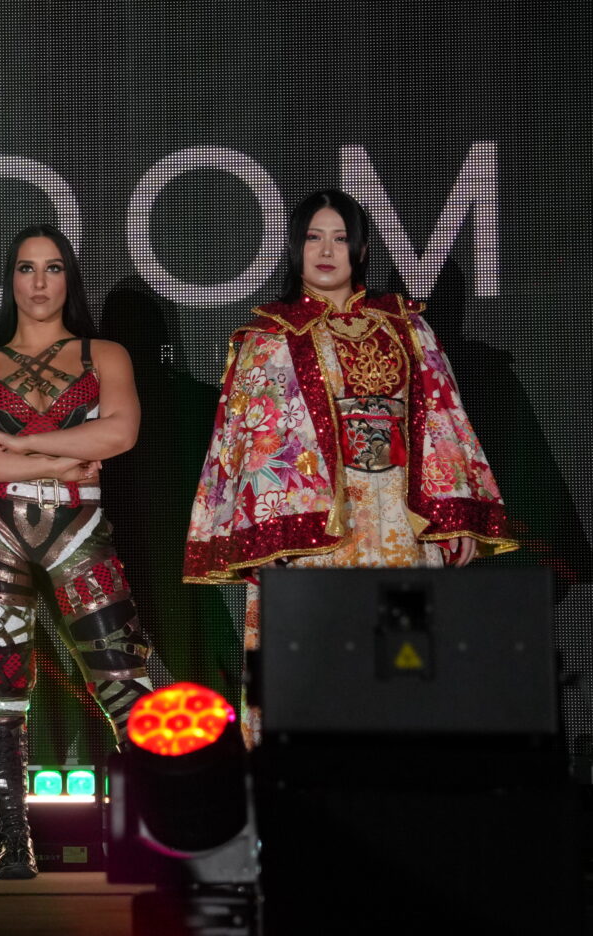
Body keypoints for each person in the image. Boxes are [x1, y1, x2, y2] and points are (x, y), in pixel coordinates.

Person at [183, 189, 517, 743]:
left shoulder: (405, 325)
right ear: (295, 247)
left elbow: (441, 417)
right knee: (319, 653)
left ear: (360, 250)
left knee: (403, 652)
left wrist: (453, 516)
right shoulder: (269, 335)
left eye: (340, 238)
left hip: (400, 513)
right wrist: (274, 532)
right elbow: (251, 441)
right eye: (313, 237)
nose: (326, 251)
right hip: (317, 518)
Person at [0, 224, 154, 879]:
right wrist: (62, 459)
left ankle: (146, 835)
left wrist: (19, 447)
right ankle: (15, 842)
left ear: (70, 279)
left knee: (123, 676)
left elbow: (120, 433)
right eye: (26, 268)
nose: (39, 282)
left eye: (53, 268)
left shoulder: (105, 355)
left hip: (78, 530)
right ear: (10, 279)